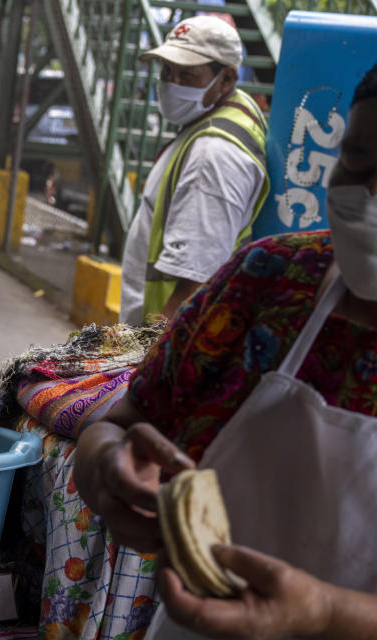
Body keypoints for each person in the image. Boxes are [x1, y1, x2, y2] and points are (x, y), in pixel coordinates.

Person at [75, 62, 377, 638]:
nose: (371, 197)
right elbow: (118, 426)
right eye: (358, 161)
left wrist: (328, 615)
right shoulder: (269, 280)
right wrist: (105, 470)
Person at [119, 15, 269, 326]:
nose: (172, 85)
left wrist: (149, 362)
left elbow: (195, 285)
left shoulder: (212, 155)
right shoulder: (221, 115)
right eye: (167, 72)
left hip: (162, 343)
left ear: (226, 79)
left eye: (187, 75)